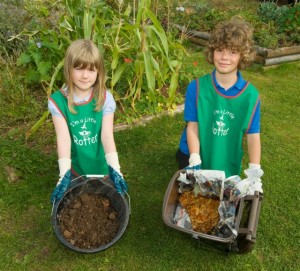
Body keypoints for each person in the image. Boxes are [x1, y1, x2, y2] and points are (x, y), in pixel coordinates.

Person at [176, 18, 262, 178]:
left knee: (223, 196)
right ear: (212, 51)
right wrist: (194, 158)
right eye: (220, 50)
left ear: (242, 56)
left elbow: (253, 135)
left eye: (233, 52)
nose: (224, 57)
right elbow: (192, 126)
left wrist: (254, 170)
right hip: (192, 150)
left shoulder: (251, 96)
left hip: (225, 155)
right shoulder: (196, 87)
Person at [48, 39, 128, 203]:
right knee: (78, 203)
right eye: (79, 69)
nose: (85, 76)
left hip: (101, 165)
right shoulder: (58, 101)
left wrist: (116, 168)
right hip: (76, 167)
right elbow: (63, 138)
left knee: (105, 202)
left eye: (91, 70)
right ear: (68, 68)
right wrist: (64, 173)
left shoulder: (105, 98)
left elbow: (106, 135)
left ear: (99, 72)